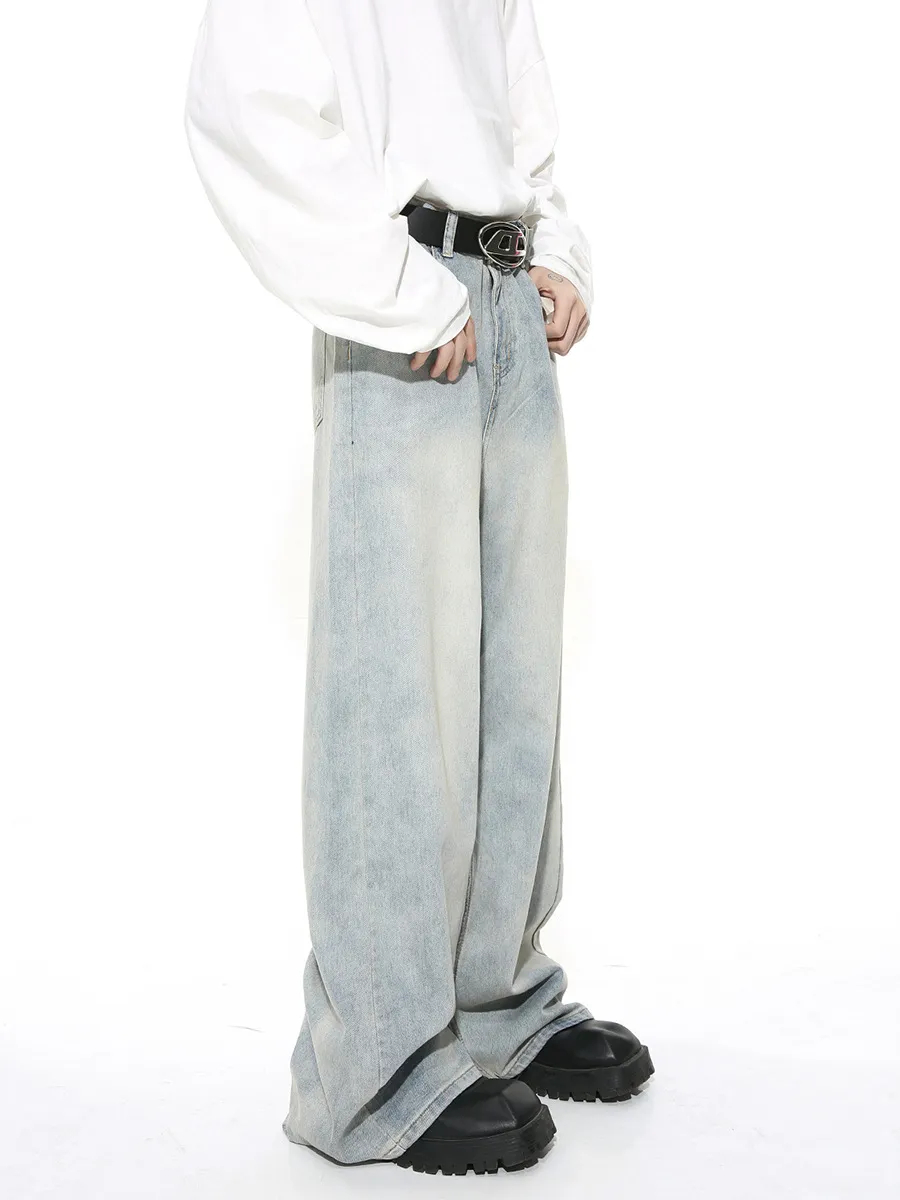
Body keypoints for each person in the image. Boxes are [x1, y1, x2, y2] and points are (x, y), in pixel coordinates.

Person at [185, 0, 653, 1177]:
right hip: (403, 296)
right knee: (395, 689)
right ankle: (374, 1065)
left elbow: (515, 105)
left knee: (513, 675)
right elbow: (245, 103)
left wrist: (554, 249)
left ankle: (496, 1003)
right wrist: (391, 288)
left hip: (505, 287)